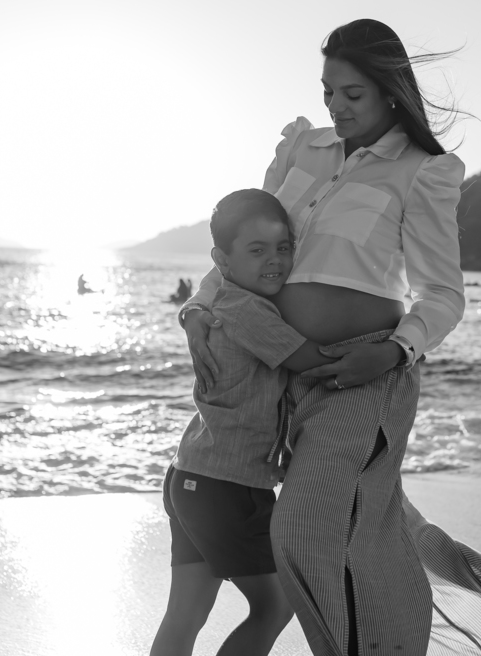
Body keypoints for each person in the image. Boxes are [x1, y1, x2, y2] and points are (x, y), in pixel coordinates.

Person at [180, 20, 481, 655]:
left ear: (390, 90)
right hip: (286, 376)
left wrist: (395, 349)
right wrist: (201, 309)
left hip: (367, 372)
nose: (337, 107)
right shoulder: (300, 150)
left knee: (304, 526)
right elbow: (247, 235)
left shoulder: (423, 171)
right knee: (363, 522)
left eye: (353, 94)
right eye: (328, 92)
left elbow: (442, 295)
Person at [153, 190, 336, 656]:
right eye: (256, 251)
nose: (274, 261)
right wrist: (391, 351)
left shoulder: (226, 303)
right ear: (223, 261)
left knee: (186, 615)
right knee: (275, 607)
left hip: (190, 476)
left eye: (283, 248)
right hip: (227, 487)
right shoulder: (248, 310)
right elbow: (313, 360)